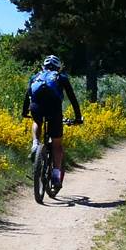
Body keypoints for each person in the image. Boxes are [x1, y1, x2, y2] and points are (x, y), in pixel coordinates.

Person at [22, 55, 83, 190]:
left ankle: (35, 144)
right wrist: (78, 117)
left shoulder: (36, 76)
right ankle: (56, 175)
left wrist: (24, 112)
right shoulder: (61, 77)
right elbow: (72, 98)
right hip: (54, 110)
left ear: (44, 66)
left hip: (36, 107)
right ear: (58, 67)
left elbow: (28, 95)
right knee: (57, 144)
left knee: (37, 121)